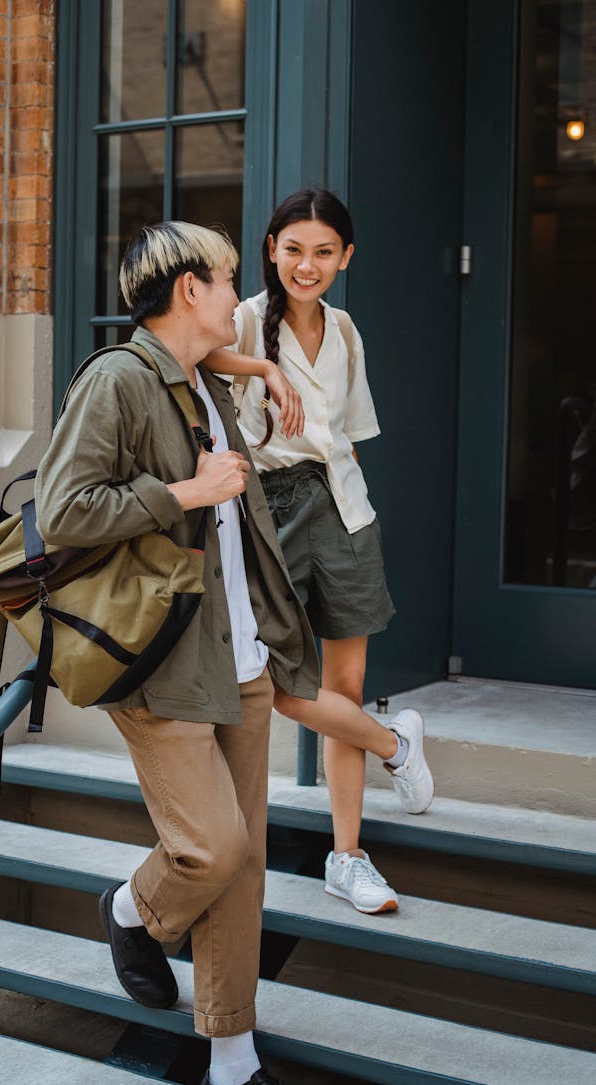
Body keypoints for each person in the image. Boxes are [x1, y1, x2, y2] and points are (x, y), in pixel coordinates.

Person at [34, 220, 427, 1085]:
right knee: (213, 850)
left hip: (241, 662)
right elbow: (63, 511)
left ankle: (231, 1071)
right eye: (222, 278)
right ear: (188, 292)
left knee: (243, 873)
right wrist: (184, 492)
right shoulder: (118, 380)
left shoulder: (203, 380)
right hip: (163, 666)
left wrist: (262, 372)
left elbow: (234, 384)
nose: (235, 293)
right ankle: (133, 909)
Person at [204, 189, 434, 916]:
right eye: (294, 248)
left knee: (344, 682)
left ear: (346, 257)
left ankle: (348, 855)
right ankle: (393, 743)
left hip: (341, 505)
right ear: (271, 247)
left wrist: (355, 516)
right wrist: (262, 370)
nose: (308, 264)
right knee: (280, 685)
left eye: (324, 251)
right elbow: (189, 351)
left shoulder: (344, 328)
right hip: (266, 512)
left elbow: (350, 436)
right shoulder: (241, 316)